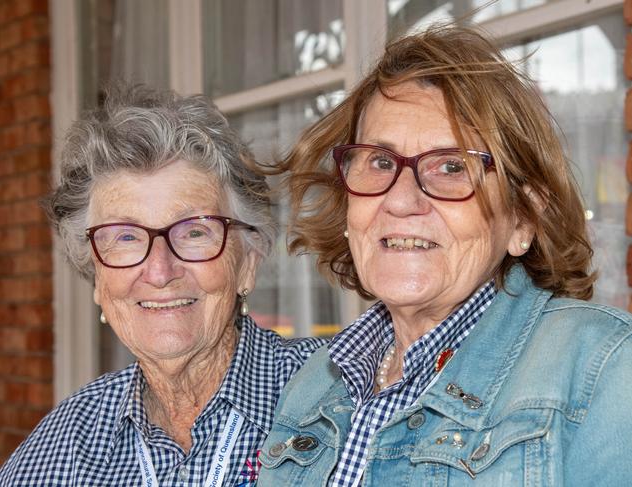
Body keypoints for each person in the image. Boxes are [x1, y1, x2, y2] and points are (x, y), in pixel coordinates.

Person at [257, 24, 632, 486]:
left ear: (522, 220)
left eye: (452, 166)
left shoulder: (606, 369)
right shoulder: (315, 384)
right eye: (379, 161)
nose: (401, 199)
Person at [0, 84, 325, 486]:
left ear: (248, 264)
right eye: (126, 237)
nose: (160, 270)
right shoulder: (62, 447)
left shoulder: (338, 396)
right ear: (98, 278)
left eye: (195, 232)